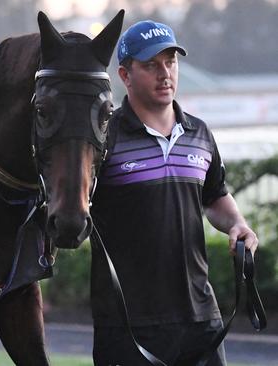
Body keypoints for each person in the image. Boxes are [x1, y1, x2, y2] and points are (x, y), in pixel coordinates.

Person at [90, 20, 258, 365]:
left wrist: (237, 224)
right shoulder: (105, 140)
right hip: (128, 324)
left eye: (171, 62)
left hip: (200, 317)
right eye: (151, 65)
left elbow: (214, 196)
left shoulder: (200, 132)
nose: (164, 74)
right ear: (125, 75)